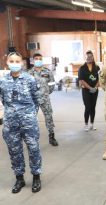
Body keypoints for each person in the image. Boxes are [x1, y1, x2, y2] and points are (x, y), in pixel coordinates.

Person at [0, 52, 42, 193]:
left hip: (29, 122)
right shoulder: (3, 81)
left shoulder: (29, 79)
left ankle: (36, 176)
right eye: (11, 61)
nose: (14, 63)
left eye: (17, 61)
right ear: (7, 63)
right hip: (11, 123)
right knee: (14, 151)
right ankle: (19, 178)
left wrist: (29, 115)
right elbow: (3, 101)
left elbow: (36, 100)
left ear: (22, 63)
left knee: (33, 148)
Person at [28, 53, 58, 146]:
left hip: (45, 99)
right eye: (36, 58)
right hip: (33, 100)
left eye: (40, 59)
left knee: (49, 117)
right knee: (31, 119)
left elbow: (52, 84)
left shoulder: (47, 71)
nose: (38, 60)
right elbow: (26, 86)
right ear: (33, 61)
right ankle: (31, 139)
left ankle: (52, 136)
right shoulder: (29, 73)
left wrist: (47, 93)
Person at [78, 51, 100, 131]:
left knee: (93, 107)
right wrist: (90, 88)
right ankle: (86, 124)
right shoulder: (82, 68)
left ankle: (92, 124)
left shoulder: (97, 67)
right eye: (88, 56)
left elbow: (100, 78)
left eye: (91, 56)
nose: (89, 57)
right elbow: (81, 80)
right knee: (88, 107)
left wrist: (95, 87)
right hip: (86, 90)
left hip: (95, 90)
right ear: (85, 57)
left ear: (93, 57)